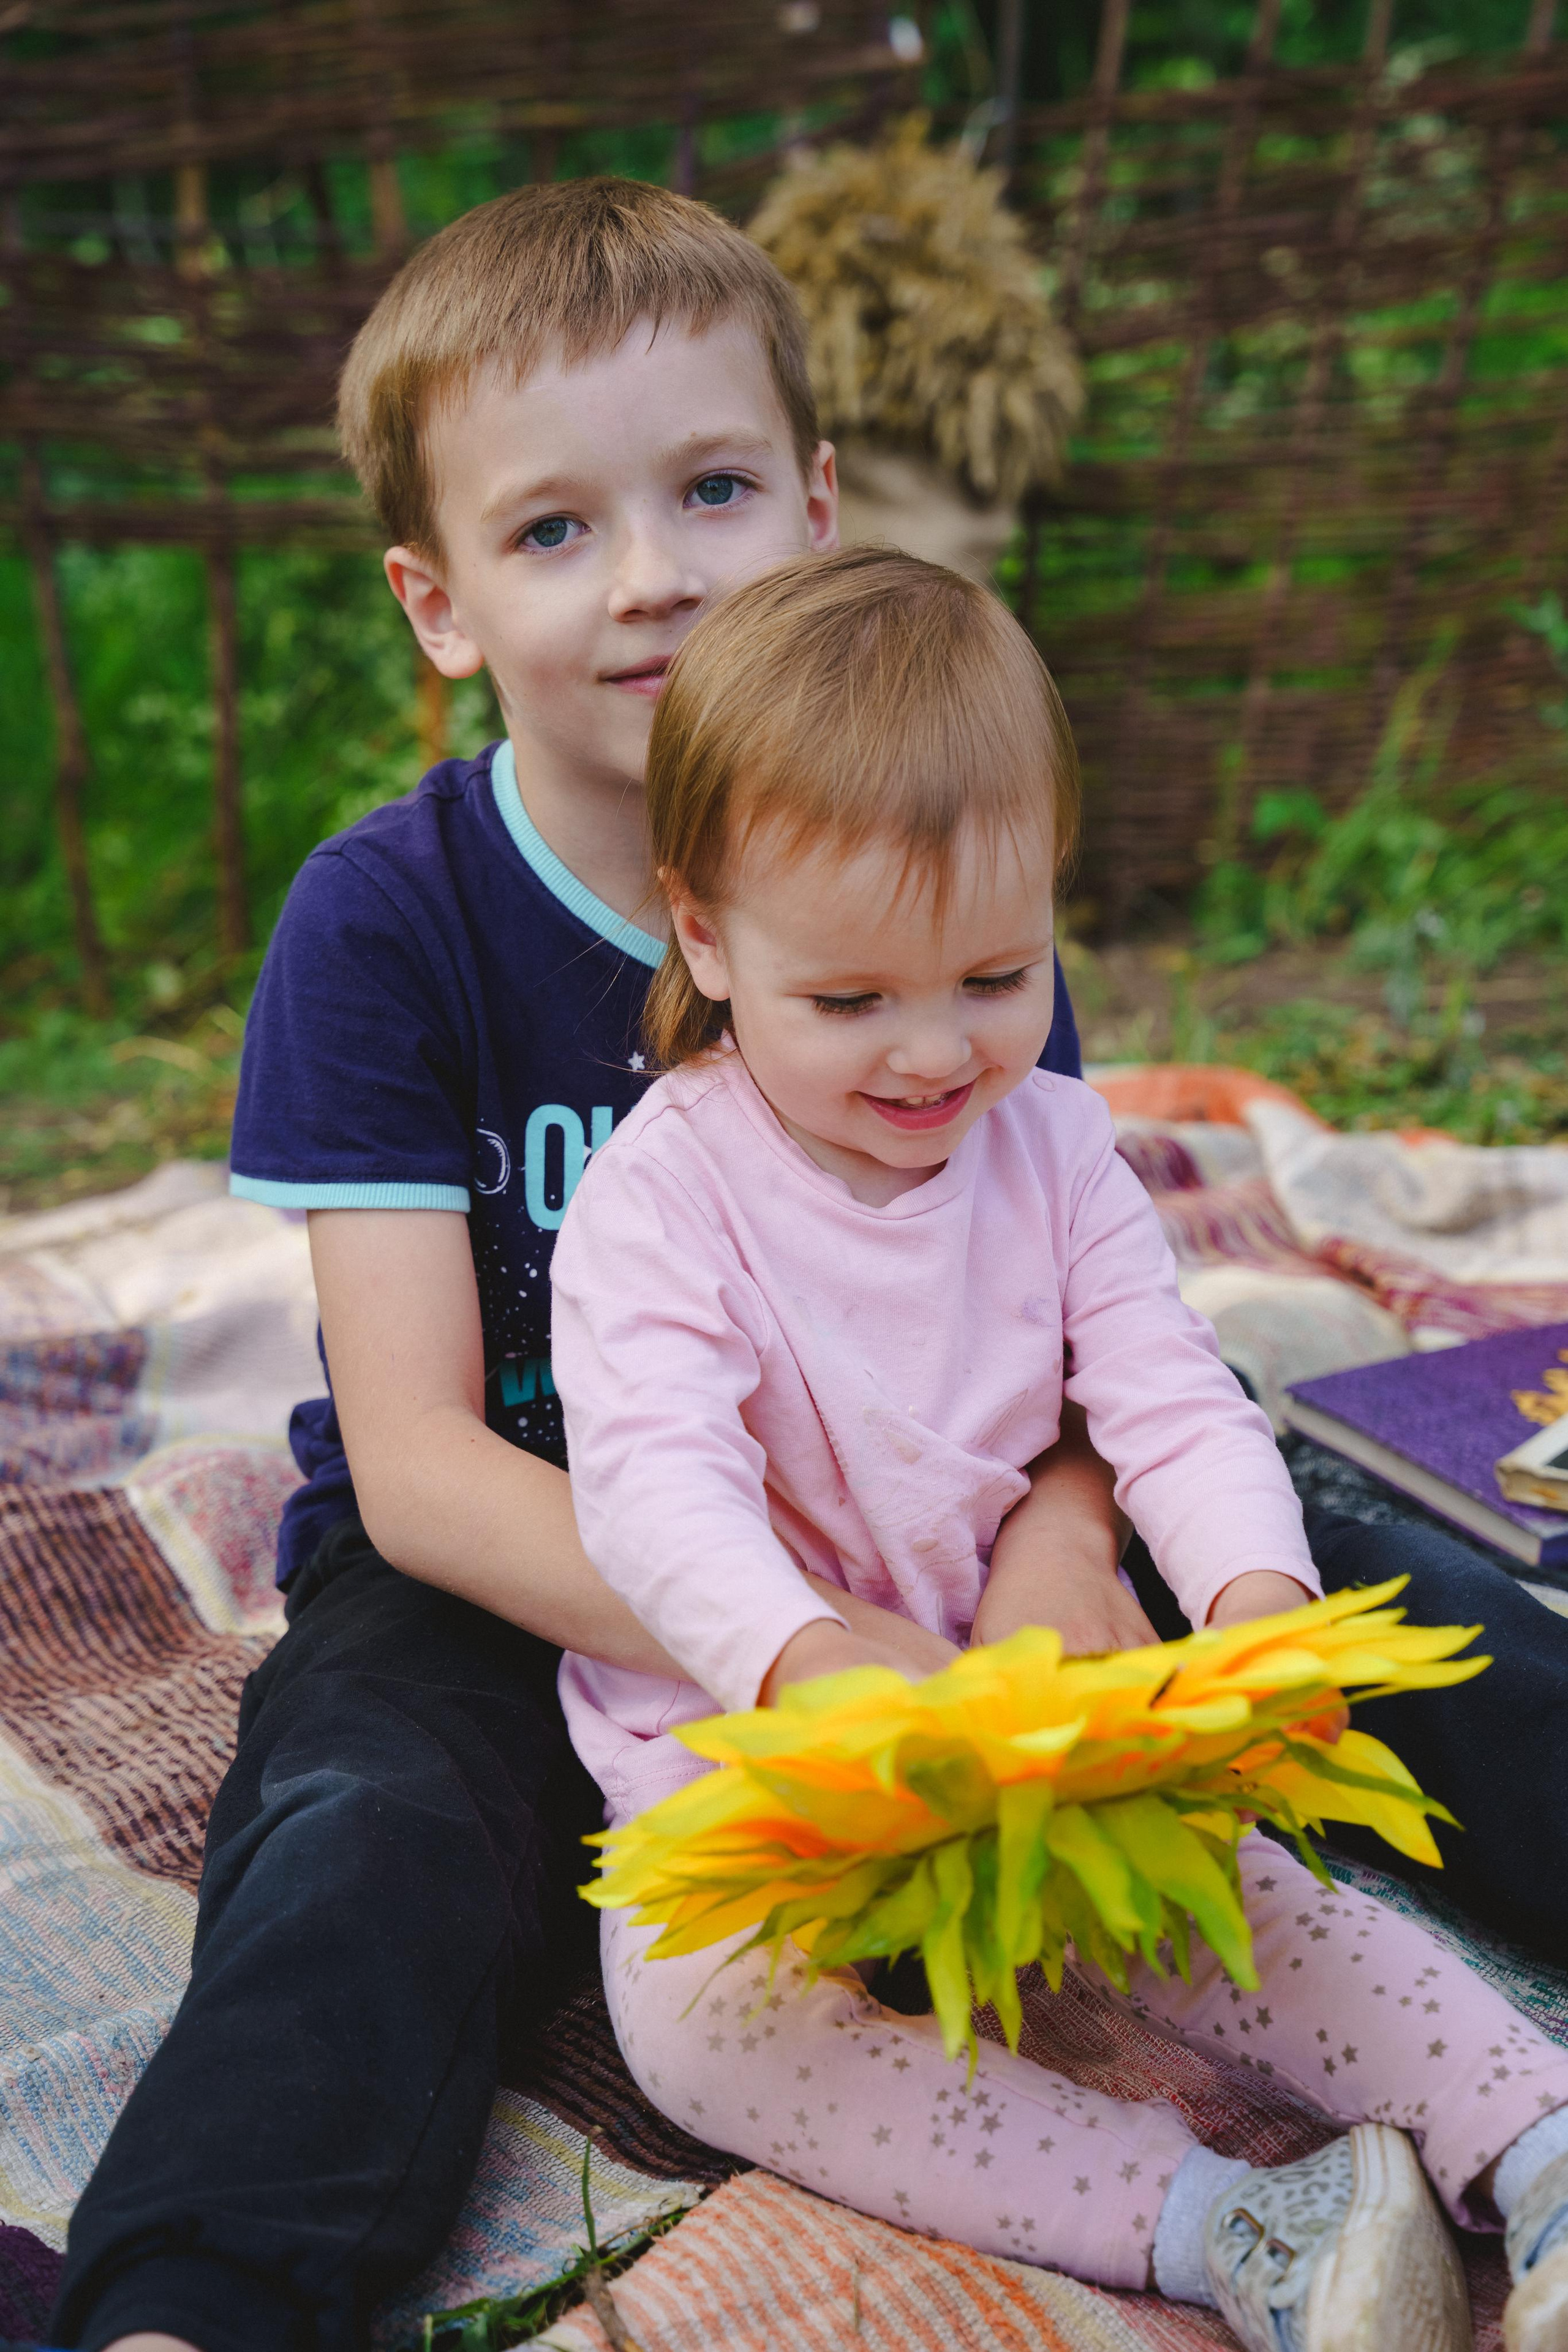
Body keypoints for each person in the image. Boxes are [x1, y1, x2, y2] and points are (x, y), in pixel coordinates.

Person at [48, 171, 1568, 2352]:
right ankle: (194, 2299)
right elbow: (415, 1459)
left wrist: (1062, 1559)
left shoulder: (937, 860)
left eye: (717, 487)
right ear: (440, 600)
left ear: (826, 508)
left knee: (1377, 1605)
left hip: (960, 1494)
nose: (654, 573)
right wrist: (813, 1658)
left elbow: (1085, 1329)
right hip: (533, 1560)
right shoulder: (388, 922)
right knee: (359, 1834)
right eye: (555, 529)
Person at [548, 546, 1568, 2352]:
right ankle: (1236, 2225)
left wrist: (1262, 1612)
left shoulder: (1065, 1150)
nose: (937, 1053)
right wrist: (800, 1661)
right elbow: (650, 1484)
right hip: (763, 1762)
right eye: (850, 1002)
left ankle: (1540, 2143)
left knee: (1248, 1896)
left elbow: (1169, 1397)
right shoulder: (663, 1203)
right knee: (701, 2028)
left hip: (1046, 1713)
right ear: (702, 936)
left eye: (997, 974)